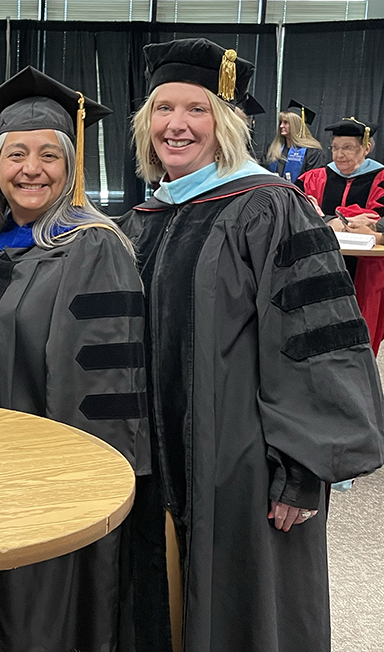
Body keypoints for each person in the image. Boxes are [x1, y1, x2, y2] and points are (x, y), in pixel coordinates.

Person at [120, 38, 384, 652]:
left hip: (243, 466)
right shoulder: (145, 219)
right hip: (160, 461)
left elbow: (317, 343)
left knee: (249, 612)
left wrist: (301, 471)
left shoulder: (273, 208)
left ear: (227, 122)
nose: (176, 125)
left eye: (196, 109)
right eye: (163, 109)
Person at [0, 65, 156, 652]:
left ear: (71, 168)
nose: (30, 169)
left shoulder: (92, 247)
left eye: (49, 155)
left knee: (40, 613)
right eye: (15, 154)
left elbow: (104, 381)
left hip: (48, 478)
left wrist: (79, 485)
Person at [296, 117, 384, 353]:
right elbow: (297, 211)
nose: (339, 154)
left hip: (365, 267)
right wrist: (329, 221)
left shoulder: (381, 179)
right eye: (335, 147)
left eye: (347, 148)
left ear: (366, 148)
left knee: (359, 326)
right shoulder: (315, 178)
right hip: (321, 261)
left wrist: (375, 227)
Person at [265, 100, 325, 181]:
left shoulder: (312, 152)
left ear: (296, 125)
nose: (281, 126)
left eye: (286, 122)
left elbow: (313, 181)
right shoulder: (272, 148)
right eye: (281, 122)